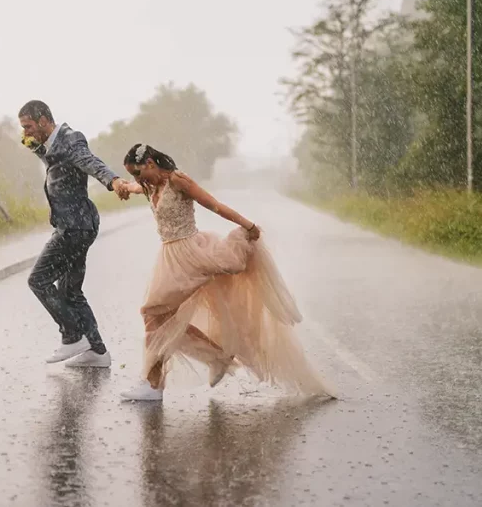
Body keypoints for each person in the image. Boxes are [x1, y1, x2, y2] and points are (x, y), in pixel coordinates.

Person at [117, 143, 336, 401]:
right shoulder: (148, 185)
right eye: (134, 175)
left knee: (153, 314)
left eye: (138, 173)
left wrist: (248, 224)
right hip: (169, 256)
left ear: (151, 164)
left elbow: (215, 205)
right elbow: (129, 187)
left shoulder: (178, 180)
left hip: (189, 255)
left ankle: (154, 386)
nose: (137, 180)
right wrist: (120, 185)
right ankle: (215, 358)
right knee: (161, 319)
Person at [19, 100, 132, 367]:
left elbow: (89, 162)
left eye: (29, 127)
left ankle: (72, 336)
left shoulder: (71, 138)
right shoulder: (51, 143)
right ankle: (97, 352)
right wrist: (37, 148)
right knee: (70, 291)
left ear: (45, 120)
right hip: (77, 224)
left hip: (74, 227)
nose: (26, 133)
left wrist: (113, 180)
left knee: (39, 280)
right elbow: (57, 162)